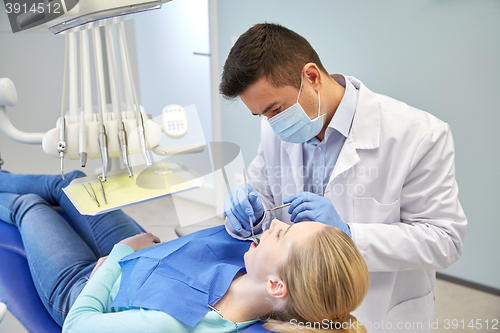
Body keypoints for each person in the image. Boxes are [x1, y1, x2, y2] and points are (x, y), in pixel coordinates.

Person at [221, 23, 467, 332]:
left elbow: (445, 241)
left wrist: (350, 234)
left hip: (380, 308)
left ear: (311, 77)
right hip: (297, 310)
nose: (272, 123)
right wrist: (248, 209)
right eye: (262, 115)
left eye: (275, 109)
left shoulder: (419, 135)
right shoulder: (275, 128)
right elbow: (265, 193)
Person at [0, 170, 370, 333]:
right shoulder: (254, 274)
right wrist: (237, 219)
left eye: (283, 234)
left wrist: (117, 256)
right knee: (75, 185)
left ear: (277, 287)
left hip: (88, 287)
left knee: (28, 207)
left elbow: (77, 327)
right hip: (146, 258)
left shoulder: (174, 325)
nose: (274, 224)